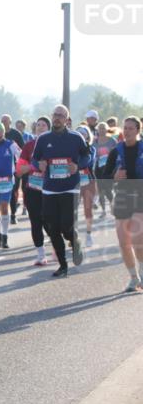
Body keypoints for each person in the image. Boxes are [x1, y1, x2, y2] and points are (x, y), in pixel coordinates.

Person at [32, 104, 92, 278]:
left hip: (70, 188)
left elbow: (86, 156)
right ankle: (63, 265)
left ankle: (74, 240)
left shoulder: (76, 137)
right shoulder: (43, 139)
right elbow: (35, 159)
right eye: (55, 114)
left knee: (67, 226)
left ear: (67, 119)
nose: (57, 118)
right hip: (50, 189)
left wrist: (77, 165)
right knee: (52, 228)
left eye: (61, 115)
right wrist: (39, 164)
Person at [106, 116, 143, 292]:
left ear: (138, 130)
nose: (126, 131)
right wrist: (114, 176)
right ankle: (133, 278)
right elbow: (104, 176)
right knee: (123, 242)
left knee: (137, 238)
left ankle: (142, 273)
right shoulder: (116, 151)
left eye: (130, 128)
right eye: (125, 128)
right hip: (122, 197)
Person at [17, 117, 52, 266]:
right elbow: (19, 170)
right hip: (32, 189)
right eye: (38, 125)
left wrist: (48, 169)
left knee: (50, 221)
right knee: (35, 221)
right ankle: (41, 254)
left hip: (51, 189)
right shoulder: (28, 146)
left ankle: (58, 246)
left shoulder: (55, 144)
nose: (41, 127)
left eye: (44, 125)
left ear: (49, 128)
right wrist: (34, 166)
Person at [74, 125, 98, 248]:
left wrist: (74, 163)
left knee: (88, 209)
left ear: (88, 136)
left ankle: (88, 234)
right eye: (78, 133)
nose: (81, 135)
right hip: (74, 181)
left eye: (83, 133)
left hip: (88, 182)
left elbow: (86, 162)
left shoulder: (91, 149)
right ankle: (74, 234)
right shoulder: (71, 148)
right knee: (73, 210)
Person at [1, 114, 25, 224]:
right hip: (2, 167)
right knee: (4, 190)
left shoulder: (16, 134)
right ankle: (4, 213)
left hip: (15, 167)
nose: (4, 122)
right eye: (2, 121)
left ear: (10, 122)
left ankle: (13, 214)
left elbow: (23, 151)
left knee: (14, 190)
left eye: (5, 121)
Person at [93, 122, 117, 219]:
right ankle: (103, 211)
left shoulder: (112, 141)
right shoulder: (95, 142)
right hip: (99, 169)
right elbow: (93, 156)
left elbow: (117, 154)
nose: (102, 130)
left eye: (103, 128)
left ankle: (113, 207)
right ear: (97, 130)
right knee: (101, 191)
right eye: (100, 128)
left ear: (107, 129)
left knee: (108, 190)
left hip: (109, 169)